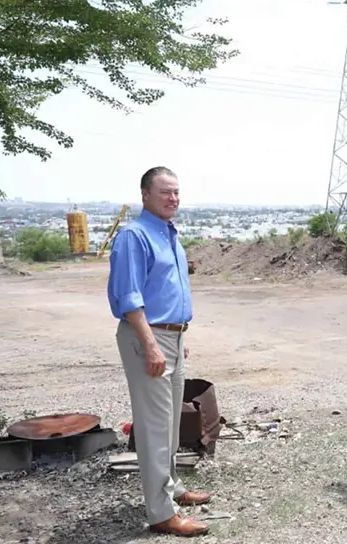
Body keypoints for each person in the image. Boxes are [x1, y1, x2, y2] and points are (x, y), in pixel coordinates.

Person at [107, 166, 212, 537]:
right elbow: (129, 298)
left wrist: (177, 337)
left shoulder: (168, 233)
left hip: (171, 337)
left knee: (169, 425)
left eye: (176, 192)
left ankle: (172, 489)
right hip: (147, 338)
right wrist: (152, 344)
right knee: (154, 427)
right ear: (145, 195)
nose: (173, 198)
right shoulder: (134, 236)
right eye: (165, 192)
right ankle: (161, 513)